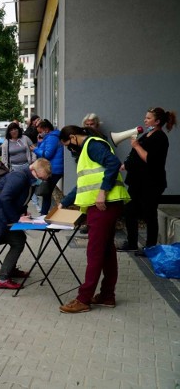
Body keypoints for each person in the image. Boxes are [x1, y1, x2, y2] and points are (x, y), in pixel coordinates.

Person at [57, 126, 131, 313]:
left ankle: (84, 299)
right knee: (106, 251)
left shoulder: (92, 145)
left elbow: (114, 164)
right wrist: (64, 202)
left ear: (73, 137)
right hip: (104, 205)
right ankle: (107, 295)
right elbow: (83, 184)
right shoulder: (90, 148)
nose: (70, 149)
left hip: (103, 205)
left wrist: (102, 193)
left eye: (68, 145)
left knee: (95, 252)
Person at [0, 159, 52, 289]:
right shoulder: (19, 177)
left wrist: (23, 212)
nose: (41, 181)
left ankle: (10, 270)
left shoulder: (26, 178)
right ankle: (2, 279)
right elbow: (5, 198)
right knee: (18, 241)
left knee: (19, 238)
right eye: (40, 178)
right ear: (33, 171)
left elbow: (18, 199)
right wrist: (17, 219)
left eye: (43, 179)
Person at [119, 107, 177, 254]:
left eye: (149, 118)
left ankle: (150, 247)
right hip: (137, 182)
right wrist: (127, 164)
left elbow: (149, 159)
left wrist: (137, 145)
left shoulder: (160, 137)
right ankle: (132, 243)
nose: (145, 120)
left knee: (149, 214)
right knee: (129, 211)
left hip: (150, 184)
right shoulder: (147, 135)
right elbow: (137, 156)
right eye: (145, 117)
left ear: (157, 121)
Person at [30, 119, 63, 216]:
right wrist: (39, 143)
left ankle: (44, 214)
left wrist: (35, 149)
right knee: (47, 193)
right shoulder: (49, 137)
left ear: (46, 129)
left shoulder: (52, 138)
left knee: (46, 193)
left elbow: (47, 154)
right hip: (53, 168)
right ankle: (44, 214)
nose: (40, 134)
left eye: (40, 132)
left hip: (54, 169)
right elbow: (44, 150)